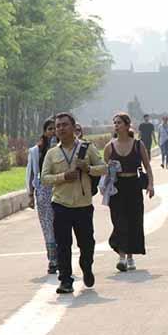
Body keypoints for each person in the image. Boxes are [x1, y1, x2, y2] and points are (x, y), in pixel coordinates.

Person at [41, 112, 107, 294]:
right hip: (61, 205)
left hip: (83, 205)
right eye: (58, 126)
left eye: (64, 125)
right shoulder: (52, 154)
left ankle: (86, 267)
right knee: (63, 244)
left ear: (73, 127)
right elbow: (44, 178)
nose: (60, 128)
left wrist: (88, 168)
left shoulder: (87, 148)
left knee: (87, 243)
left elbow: (104, 168)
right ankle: (65, 280)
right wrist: (63, 177)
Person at [104, 113, 155, 272]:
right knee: (119, 221)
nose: (116, 125)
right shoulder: (109, 147)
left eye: (119, 122)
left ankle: (131, 256)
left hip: (133, 185)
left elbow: (147, 166)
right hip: (117, 188)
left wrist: (151, 185)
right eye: (115, 123)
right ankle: (121, 257)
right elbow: (104, 169)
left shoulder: (138, 145)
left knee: (134, 220)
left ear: (127, 125)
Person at [26, 118, 59, 274]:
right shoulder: (35, 151)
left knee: (61, 225)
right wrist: (31, 194)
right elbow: (31, 173)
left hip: (61, 190)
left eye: (55, 128)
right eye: (50, 129)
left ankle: (62, 257)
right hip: (43, 192)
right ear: (44, 131)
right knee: (47, 227)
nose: (53, 131)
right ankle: (52, 260)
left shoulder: (64, 148)